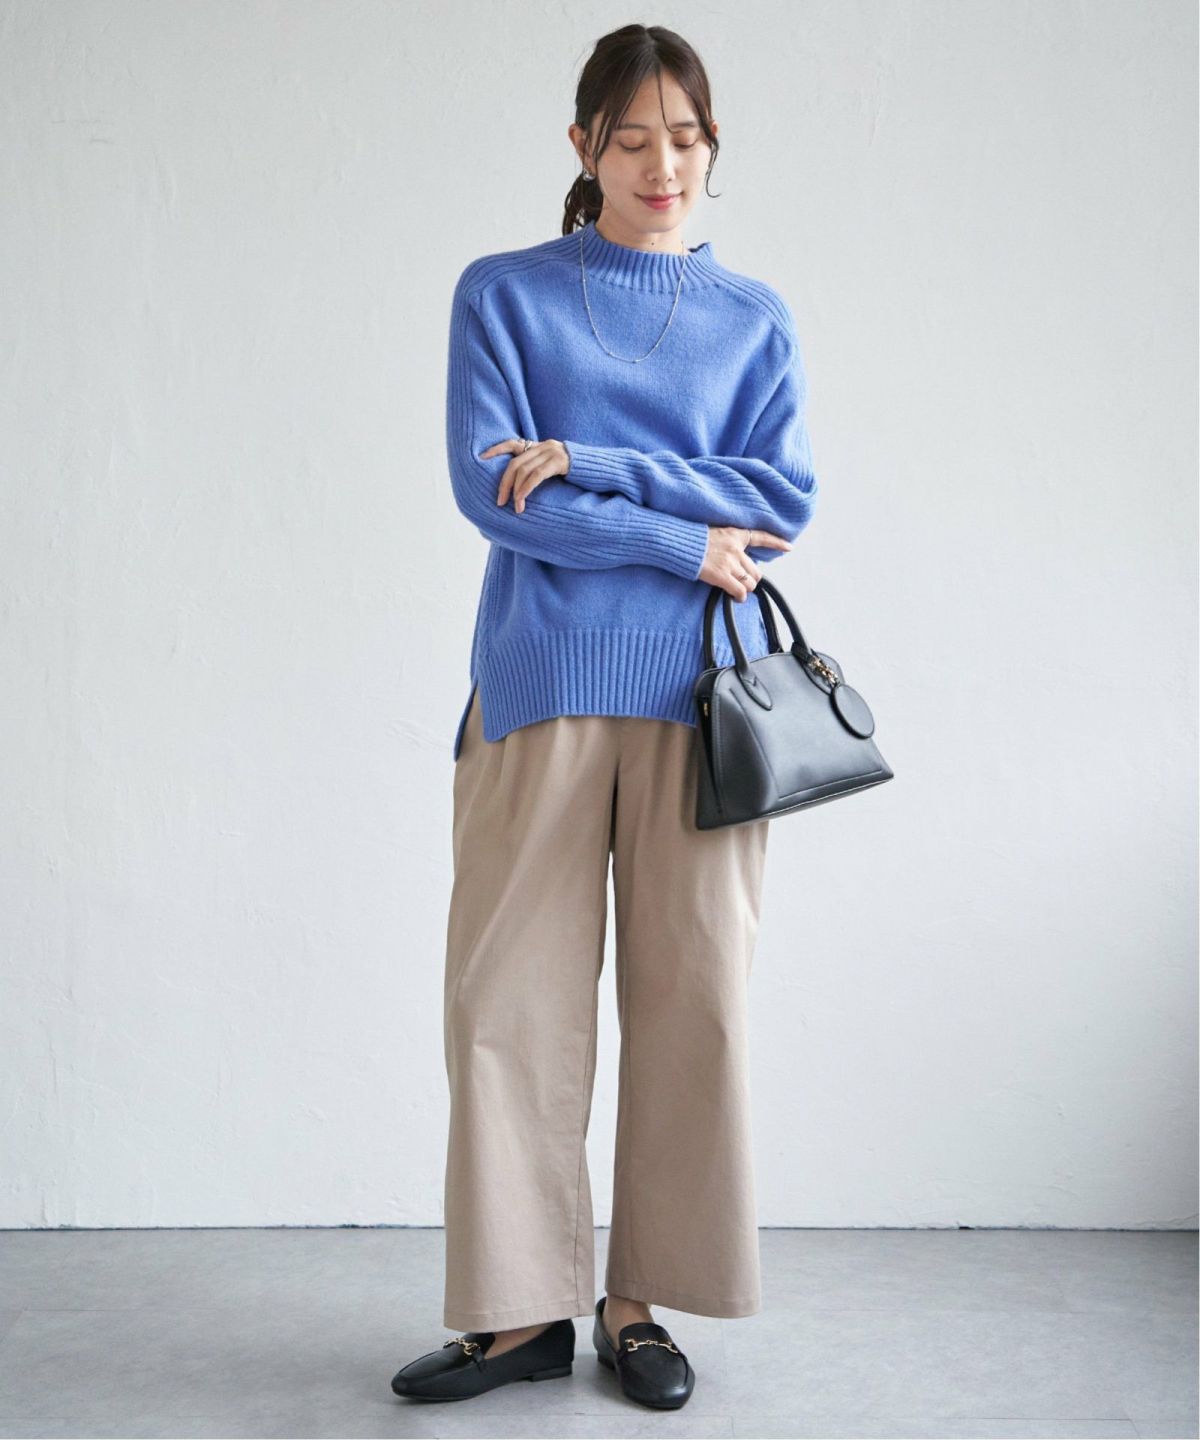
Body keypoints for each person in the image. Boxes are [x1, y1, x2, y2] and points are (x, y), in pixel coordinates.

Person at [390, 21, 818, 1411]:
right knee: (505, 1003)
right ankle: (518, 1314)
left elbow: (780, 501)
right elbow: (490, 488)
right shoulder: (505, 294)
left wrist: (594, 463)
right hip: (540, 687)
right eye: (631, 139)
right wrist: (679, 534)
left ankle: (637, 1305)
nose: (661, 165)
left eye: (684, 138)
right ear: (583, 147)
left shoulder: (754, 318)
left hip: (705, 705)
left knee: (697, 1004)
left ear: (712, 145)